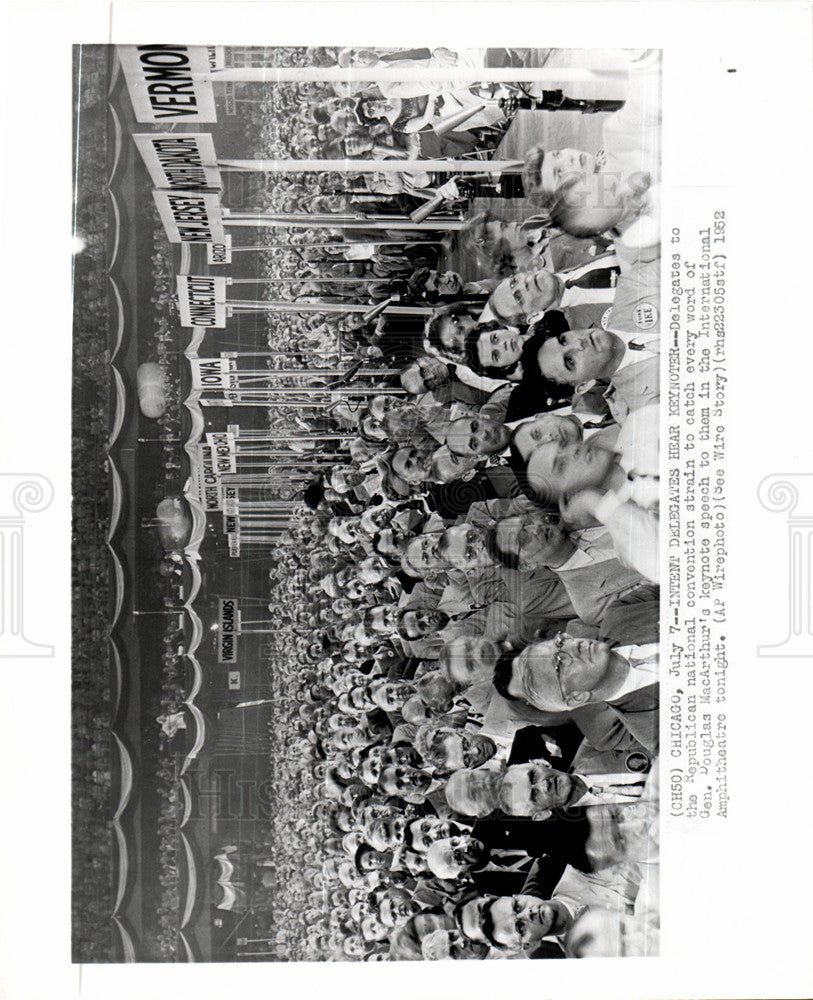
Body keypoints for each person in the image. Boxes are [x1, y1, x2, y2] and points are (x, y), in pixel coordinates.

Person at [492, 632, 659, 754]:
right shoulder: (654, 732)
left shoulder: (619, 614)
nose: (573, 646)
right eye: (559, 663)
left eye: (559, 643)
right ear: (576, 697)